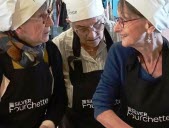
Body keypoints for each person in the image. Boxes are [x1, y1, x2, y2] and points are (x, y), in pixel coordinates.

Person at [92, 0, 169, 127]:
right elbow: (101, 104)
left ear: (150, 24)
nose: (116, 28)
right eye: (117, 19)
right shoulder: (119, 53)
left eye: (123, 21)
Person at [0, 0, 67, 128]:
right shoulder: (2, 58)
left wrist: (49, 123)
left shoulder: (50, 51)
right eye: (42, 17)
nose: (50, 23)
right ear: (18, 26)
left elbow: (59, 96)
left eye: (48, 13)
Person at [52, 0, 114, 127]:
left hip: (116, 119)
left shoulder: (119, 36)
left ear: (104, 17)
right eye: (82, 29)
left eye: (97, 24)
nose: (92, 34)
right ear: (71, 24)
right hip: (76, 121)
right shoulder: (59, 45)